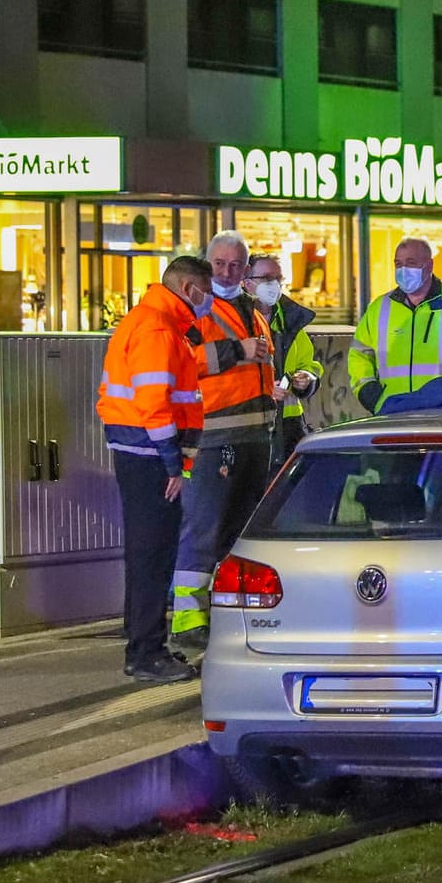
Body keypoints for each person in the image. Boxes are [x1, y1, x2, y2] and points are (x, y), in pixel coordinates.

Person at [97, 257, 209, 683]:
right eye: (205, 289)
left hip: (142, 452)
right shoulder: (158, 329)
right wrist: (172, 464)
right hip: (150, 456)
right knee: (152, 554)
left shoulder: (158, 322)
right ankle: (146, 652)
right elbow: (154, 403)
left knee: (152, 553)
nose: (208, 299)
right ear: (187, 287)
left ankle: (147, 646)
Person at [170, 231, 275, 650]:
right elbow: (184, 361)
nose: (227, 272)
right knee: (204, 529)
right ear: (206, 264)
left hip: (253, 434)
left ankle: (223, 614)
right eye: (219, 264)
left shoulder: (253, 310)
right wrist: (238, 350)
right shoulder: (197, 311)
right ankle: (187, 620)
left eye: (235, 265)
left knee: (238, 532)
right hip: (212, 435)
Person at [348, 237, 442, 414]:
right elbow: (359, 355)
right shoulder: (379, 308)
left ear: (430, 265)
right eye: (398, 264)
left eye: (411, 263)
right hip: (392, 411)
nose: (403, 270)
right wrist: (369, 393)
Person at [243, 253, 323, 467]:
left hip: (289, 426)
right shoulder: (236, 320)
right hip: (249, 424)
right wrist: (264, 388)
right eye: (267, 278)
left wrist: (307, 378)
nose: (275, 285)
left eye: (278, 279)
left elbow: (309, 364)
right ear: (247, 282)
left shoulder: (290, 320)